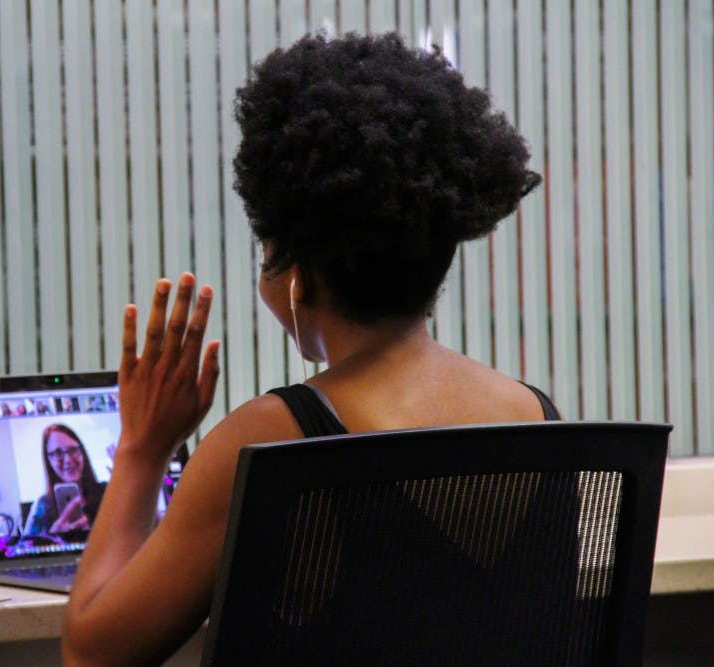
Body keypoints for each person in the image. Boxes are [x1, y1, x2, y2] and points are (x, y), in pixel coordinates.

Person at [63, 32, 554, 665]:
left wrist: (142, 447)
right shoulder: (535, 413)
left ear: (296, 275)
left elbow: (91, 655)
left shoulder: (273, 440)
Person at [25, 423, 106, 538]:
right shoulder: (43, 506)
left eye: (73, 450)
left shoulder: (106, 492)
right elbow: (25, 548)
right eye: (57, 453)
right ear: (49, 461)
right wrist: (52, 539)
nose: (68, 460)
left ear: (82, 452)